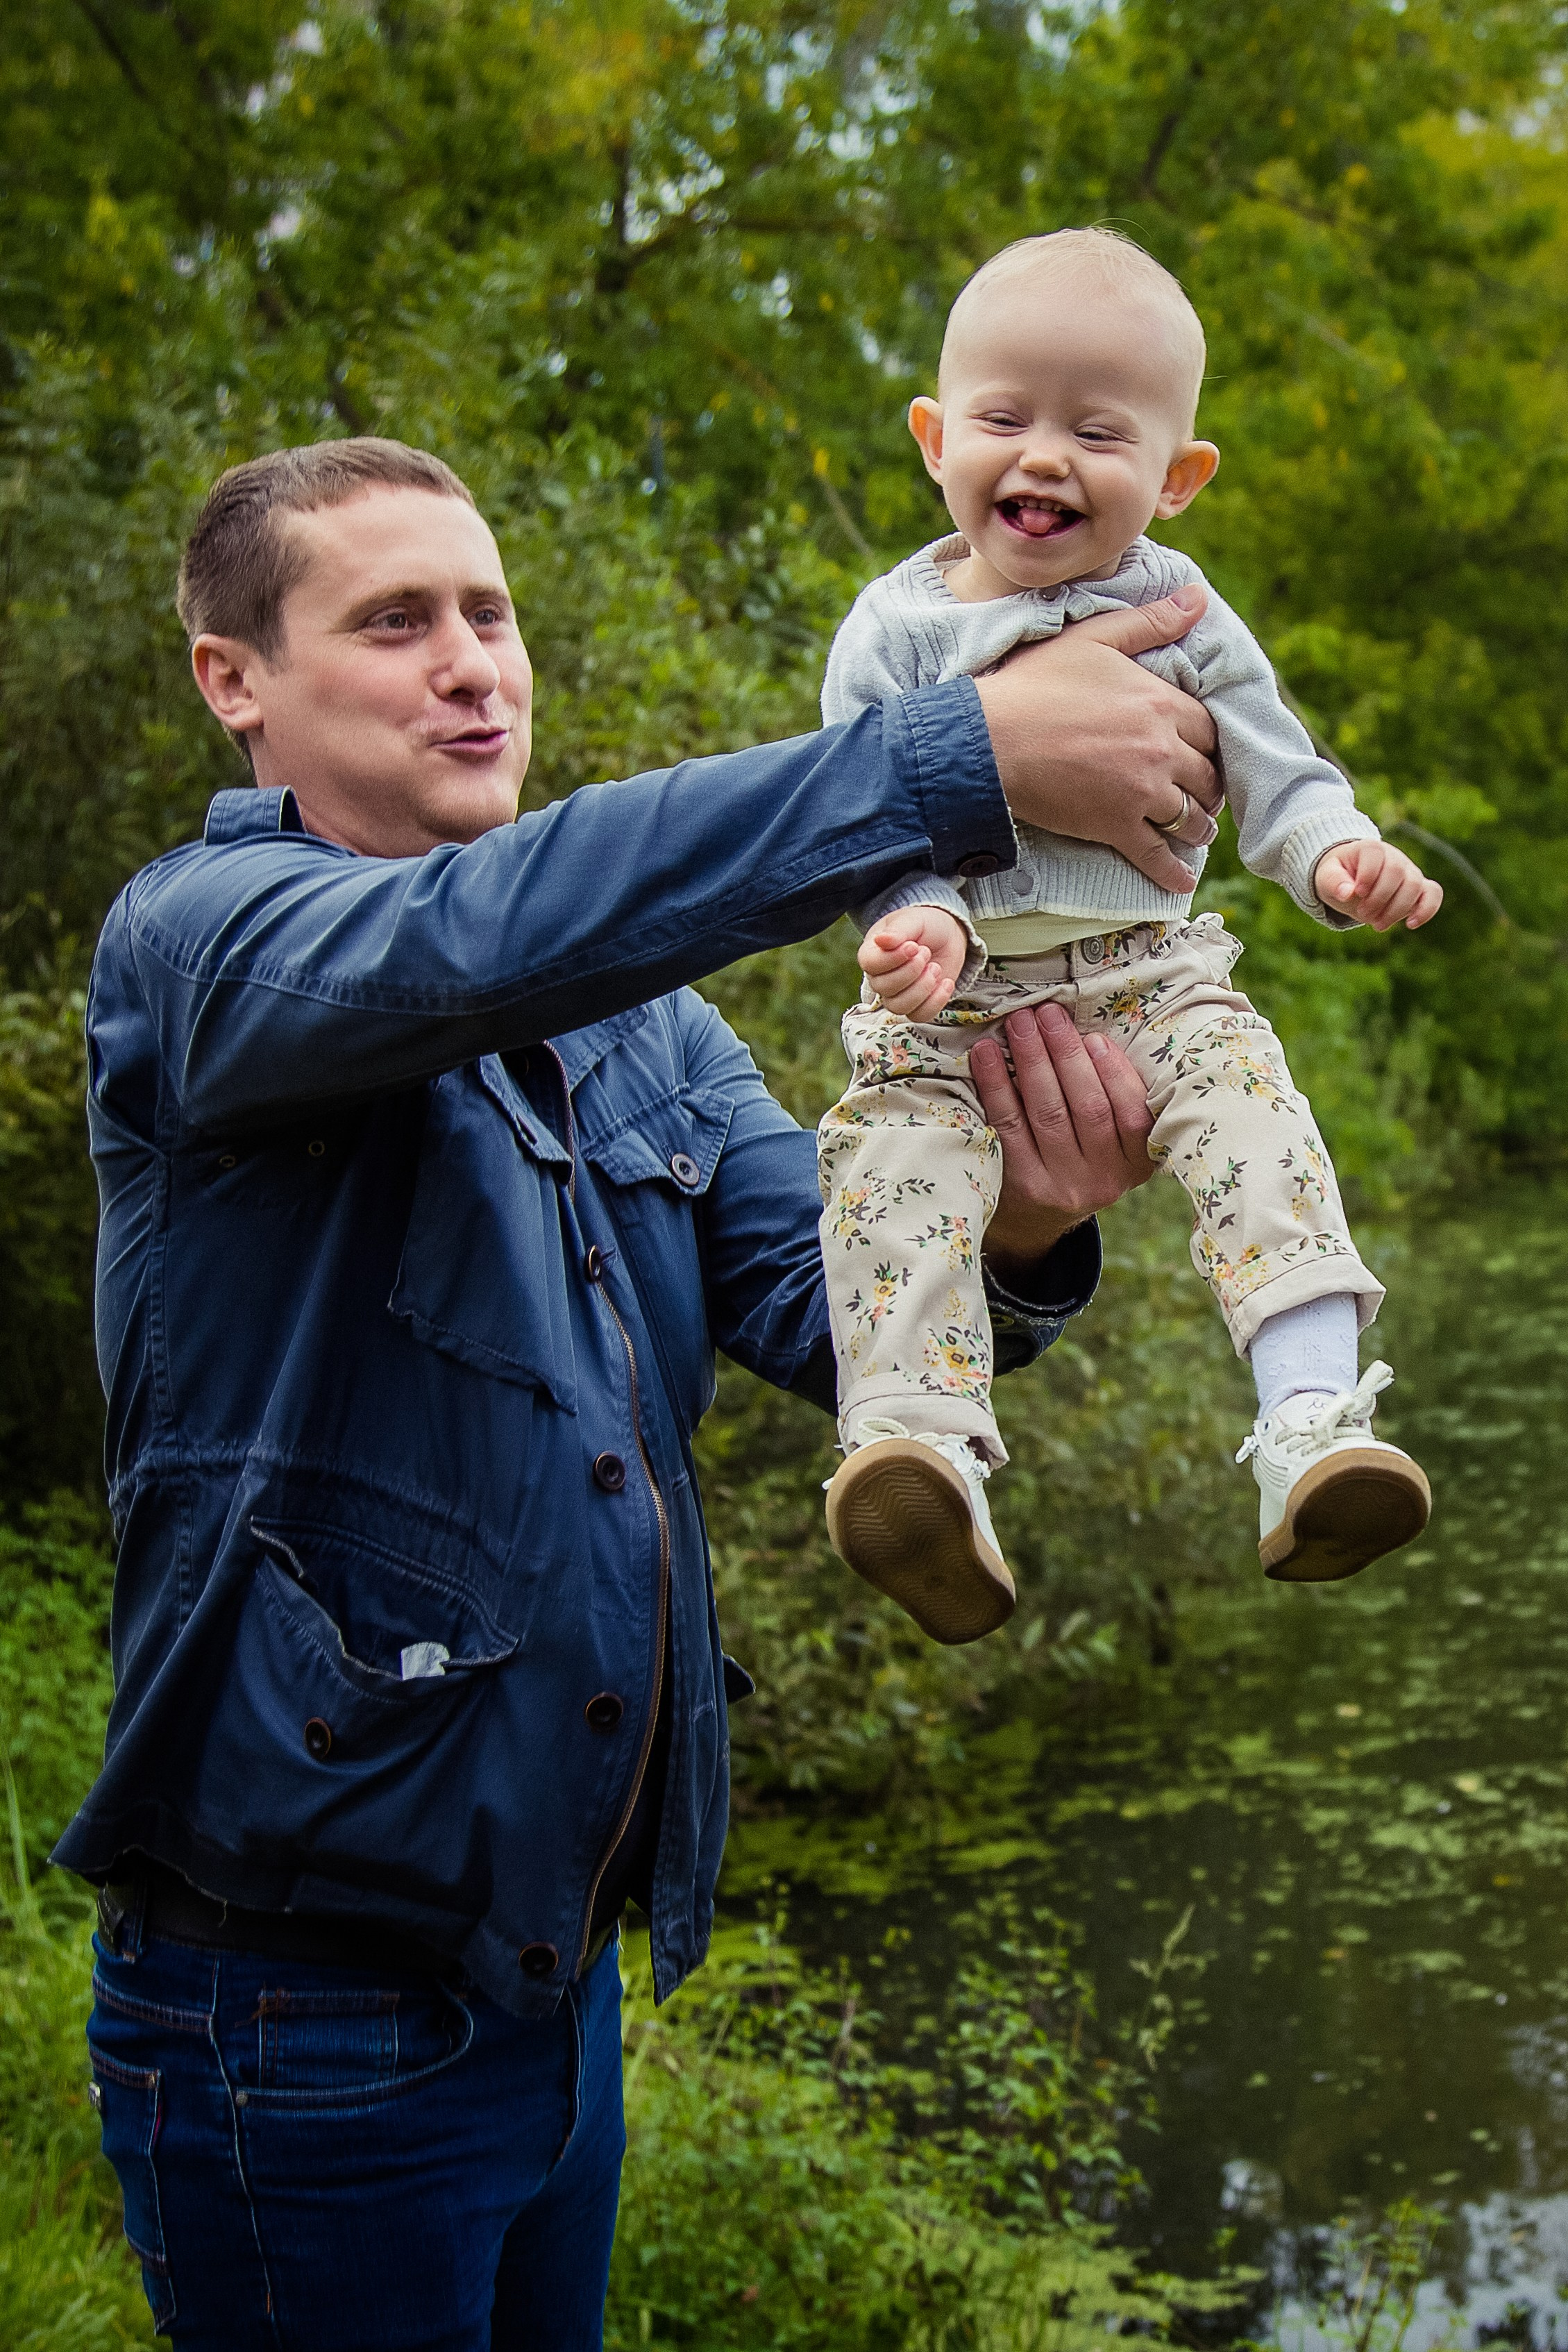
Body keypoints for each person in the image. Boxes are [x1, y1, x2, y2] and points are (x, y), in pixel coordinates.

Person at [60, 435, 1222, 2351]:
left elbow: (833, 1298)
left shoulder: (635, 1020)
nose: (471, 662)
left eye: (491, 613)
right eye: (396, 619)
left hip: (548, 1988)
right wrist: (952, 758)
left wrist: (1012, 1222)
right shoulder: (200, 953)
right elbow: (478, 938)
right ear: (234, 679)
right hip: (295, 2018)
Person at [818, 228, 1439, 1647]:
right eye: (1001, 418)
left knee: (1252, 1118)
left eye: (1095, 431)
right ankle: (922, 1461)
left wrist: (1334, 852)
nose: (1042, 456)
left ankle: (1307, 1421)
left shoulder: (1183, 610)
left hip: (1147, 977)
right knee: (889, 1172)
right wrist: (905, 908)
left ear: (1173, 477)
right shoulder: (895, 625)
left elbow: (1277, 770)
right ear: (932, 439)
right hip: (948, 998)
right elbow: (849, 802)